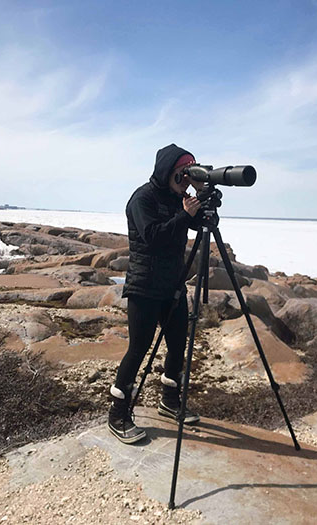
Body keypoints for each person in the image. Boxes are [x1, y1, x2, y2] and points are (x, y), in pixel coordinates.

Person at [108, 144, 203, 444]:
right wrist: (183, 215)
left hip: (172, 285)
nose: (185, 179)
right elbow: (152, 237)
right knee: (139, 348)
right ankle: (118, 414)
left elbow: (199, 224)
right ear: (167, 170)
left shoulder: (181, 199)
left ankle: (169, 401)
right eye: (182, 173)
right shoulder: (142, 198)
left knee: (178, 344)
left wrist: (201, 197)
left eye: (188, 174)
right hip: (144, 286)